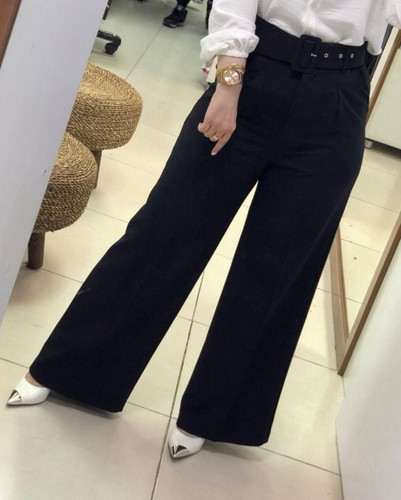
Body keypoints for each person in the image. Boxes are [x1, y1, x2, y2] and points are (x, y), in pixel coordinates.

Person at [8, 1, 401, 460]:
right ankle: (72, 369)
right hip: (256, 72)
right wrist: (229, 83)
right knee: (164, 230)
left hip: (340, 94)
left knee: (277, 269)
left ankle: (213, 416)